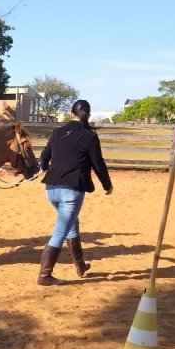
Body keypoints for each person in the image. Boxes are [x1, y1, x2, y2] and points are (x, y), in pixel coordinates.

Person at [37, 99, 113, 286]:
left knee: (71, 223)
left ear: (71, 114)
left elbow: (44, 157)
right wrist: (107, 185)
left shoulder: (57, 133)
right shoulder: (89, 136)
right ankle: (44, 275)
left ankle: (80, 265)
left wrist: (46, 168)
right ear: (87, 115)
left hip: (51, 189)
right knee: (60, 231)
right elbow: (98, 164)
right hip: (71, 190)